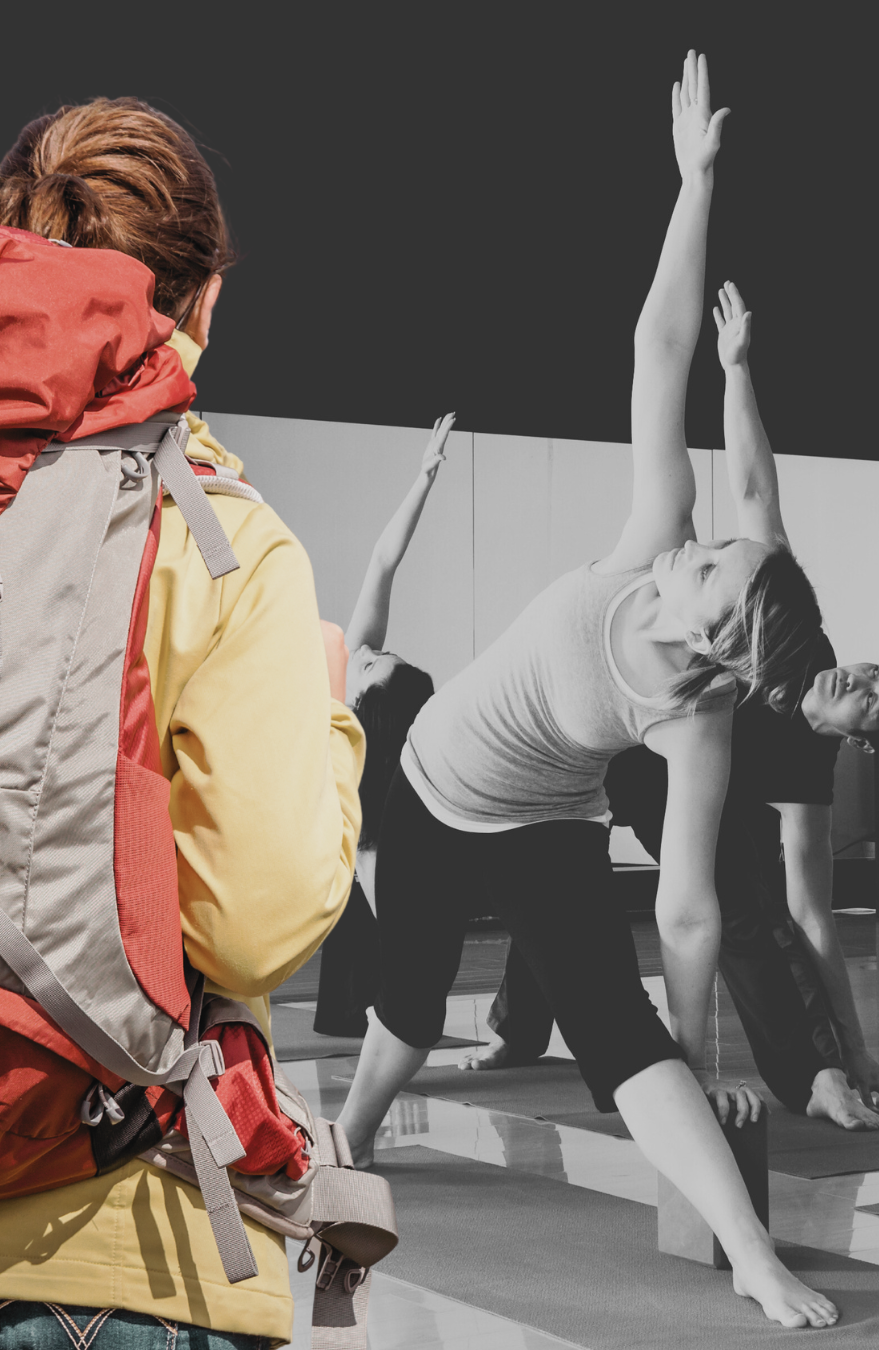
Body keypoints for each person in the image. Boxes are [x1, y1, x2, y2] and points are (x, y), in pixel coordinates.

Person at [0, 96, 364, 1350]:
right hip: (114, 1254)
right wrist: (331, 717)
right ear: (201, 306)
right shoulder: (215, 531)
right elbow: (254, 923)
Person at [333, 53, 838, 1330]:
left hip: (544, 824)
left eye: (712, 579)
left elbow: (688, 911)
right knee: (401, 1009)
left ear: (718, 654)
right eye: (721, 548)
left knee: (623, 1045)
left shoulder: (696, 718)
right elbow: (659, 344)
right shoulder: (650, 539)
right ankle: (349, 1131)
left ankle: (752, 1256)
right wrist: (695, 186)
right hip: (433, 783)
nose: (694, 552)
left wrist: (694, 1047)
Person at [467, 282, 879, 1130]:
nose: (860, 684)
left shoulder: (808, 779)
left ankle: (807, 1078)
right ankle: (518, 1030)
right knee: (558, 874)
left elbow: (812, 925)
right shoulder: (791, 631)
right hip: (616, 729)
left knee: (746, 908)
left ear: (864, 739)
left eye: (875, 704)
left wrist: (849, 1051)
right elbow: (756, 495)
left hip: (675, 776)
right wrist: (737, 369)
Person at [313, 413, 456, 1036]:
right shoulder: (348, 668)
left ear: (370, 706)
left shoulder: (344, 720)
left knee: (367, 885)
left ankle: (386, 1003)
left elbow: (372, 879)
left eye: (376, 663)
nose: (368, 649)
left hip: (327, 833)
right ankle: (373, 1001)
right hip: (321, 833)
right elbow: (384, 560)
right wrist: (423, 478)